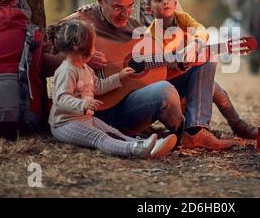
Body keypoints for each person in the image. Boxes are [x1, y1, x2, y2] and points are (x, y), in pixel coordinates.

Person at [44, 0, 233, 150]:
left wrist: (178, 63)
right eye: (118, 8)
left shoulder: (133, 26)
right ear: (100, 0)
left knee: (205, 60)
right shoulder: (79, 21)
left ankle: (195, 131)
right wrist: (82, 58)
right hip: (100, 112)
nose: (126, 15)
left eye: (130, 7)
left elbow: (154, 69)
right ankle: (179, 132)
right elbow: (44, 60)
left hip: (136, 101)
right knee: (165, 90)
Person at [126, 0, 257, 139]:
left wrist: (193, 46)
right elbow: (105, 8)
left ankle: (206, 128)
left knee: (205, 69)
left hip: (165, 68)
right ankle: (227, 125)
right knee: (207, 82)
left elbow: (189, 30)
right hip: (138, 80)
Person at [46, 19, 177, 158]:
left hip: (84, 118)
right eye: (93, 46)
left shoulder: (85, 68)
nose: (95, 50)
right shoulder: (67, 71)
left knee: (112, 131)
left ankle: (147, 145)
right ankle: (134, 149)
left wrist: (119, 77)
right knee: (99, 137)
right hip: (65, 124)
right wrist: (82, 104)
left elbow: (98, 86)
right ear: (81, 49)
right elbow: (61, 98)